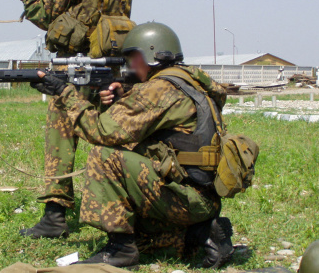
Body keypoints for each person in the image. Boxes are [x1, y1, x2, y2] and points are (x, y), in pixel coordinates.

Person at [30, 22, 234, 269]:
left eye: (133, 57)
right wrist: (126, 93)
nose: (129, 65)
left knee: (104, 156)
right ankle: (201, 235)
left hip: (187, 198)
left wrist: (65, 93)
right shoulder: (191, 80)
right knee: (144, 237)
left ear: (152, 53)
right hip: (201, 196)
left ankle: (120, 250)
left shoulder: (159, 89)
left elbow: (101, 132)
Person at [0, 0, 134, 239]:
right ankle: (129, 210)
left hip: (76, 66)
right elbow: (90, 5)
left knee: (61, 138)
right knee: (117, 136)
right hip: (114, 65)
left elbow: (46, 16)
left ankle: (55, 217)